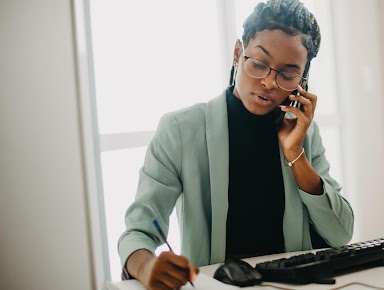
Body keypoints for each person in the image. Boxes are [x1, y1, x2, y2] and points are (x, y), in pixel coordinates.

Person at [118, 1, 354, 289]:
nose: (269, 82)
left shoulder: (303, 133)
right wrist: (145, 266)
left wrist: (296, 154)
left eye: (288, 74)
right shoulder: (180, 130)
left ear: (302, 81)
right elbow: (138, 231)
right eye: (259, 63)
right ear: (237, 53)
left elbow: (341, 234)